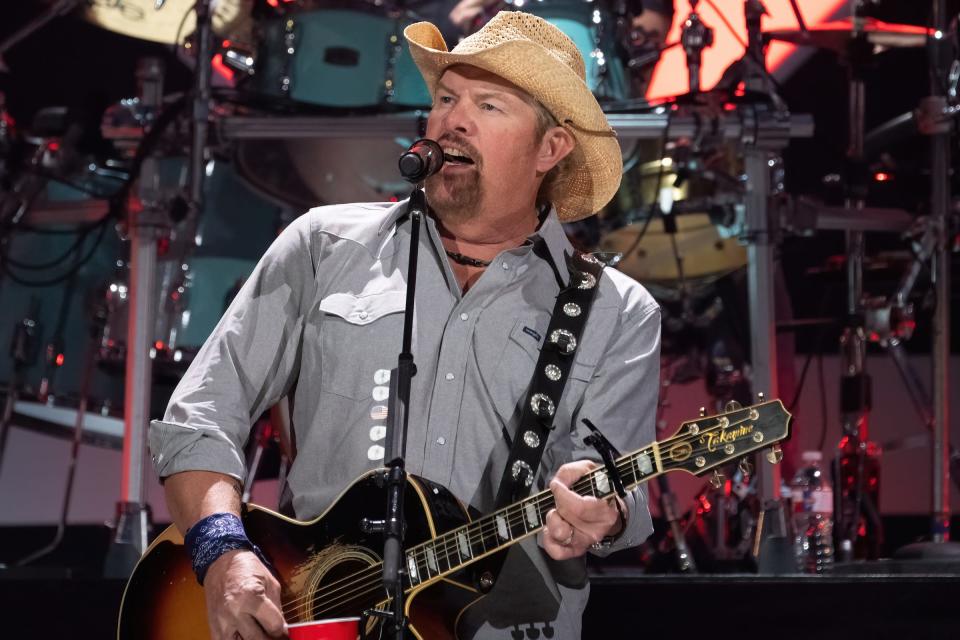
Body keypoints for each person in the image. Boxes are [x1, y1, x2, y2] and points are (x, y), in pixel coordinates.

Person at [149, 11, 660, 640]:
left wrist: (600, 510)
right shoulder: (322, 246)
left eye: (490, 105)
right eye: (446, 98)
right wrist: (223, 554)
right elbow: (198, 418)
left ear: (551, 148)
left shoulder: (617, 312)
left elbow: (616, 496)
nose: (452, 119)